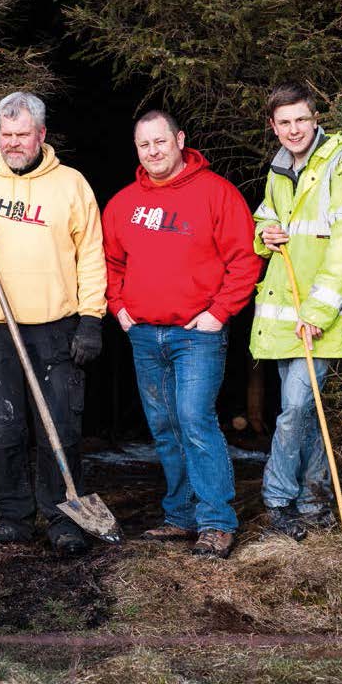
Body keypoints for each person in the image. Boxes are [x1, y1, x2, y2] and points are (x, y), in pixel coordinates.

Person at [0, 91, 106, 557]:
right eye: (6, 134)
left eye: (23, 135)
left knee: (60, 426)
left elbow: (91, 256)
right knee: (4, 427)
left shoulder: (72, 185)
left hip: (54, 327)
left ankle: (62, 516)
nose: (14, 143)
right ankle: (15, 515)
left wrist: (92, 319)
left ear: (41, 135)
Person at [102, 110, 262, 559]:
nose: (153, 152)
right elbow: (111, 262)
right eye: (144, 145)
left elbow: (245, 260)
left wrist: (219, 312)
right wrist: (120, 308)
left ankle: (216, 521)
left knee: (195, 420)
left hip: (197, 335)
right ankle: (180, 515)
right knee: (165, 427)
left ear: (179, 140)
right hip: (145, 334)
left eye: (161, 142)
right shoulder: (123, 203)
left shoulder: (217, 194)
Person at [250, 82, 342, 539]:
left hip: (320, 317)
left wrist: (319, 314)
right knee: (302, 409)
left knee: (295, 408)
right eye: (283, 122)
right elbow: (266, 215)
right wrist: (265, 234)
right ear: (274, 126)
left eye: (300, 119)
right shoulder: (280, 169)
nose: (293, 129)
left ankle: (279, 498)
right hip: (287, 312)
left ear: (316, 117)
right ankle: (314, 499)